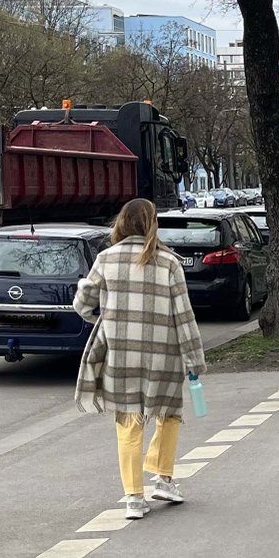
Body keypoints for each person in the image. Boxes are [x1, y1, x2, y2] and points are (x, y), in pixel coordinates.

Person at [73, 198, 206, 520]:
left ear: (121, 223)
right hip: (164, 355)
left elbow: (82, 303)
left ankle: (133, 497)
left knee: (128, 422)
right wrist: (194, 360)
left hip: (121, 355)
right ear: (152, 224)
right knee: (168, 413)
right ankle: (163, 478)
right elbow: (184, 316)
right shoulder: (169, 262)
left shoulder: (105, 259)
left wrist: (102, 319)